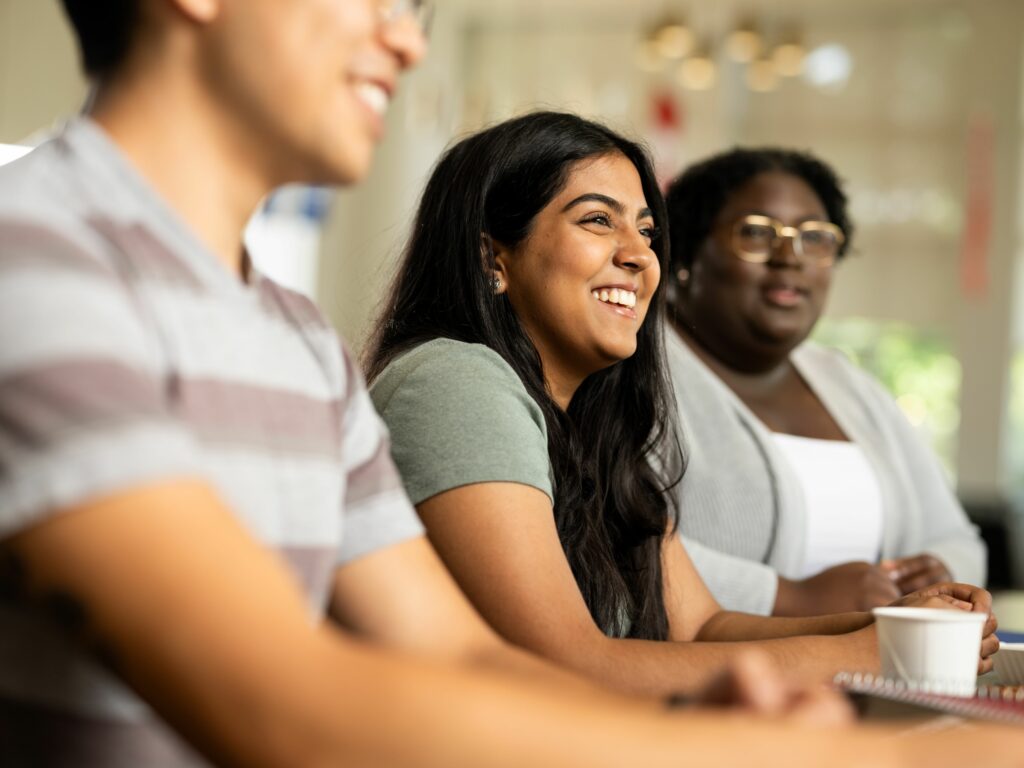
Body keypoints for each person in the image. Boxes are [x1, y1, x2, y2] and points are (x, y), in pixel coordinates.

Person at [0, 2, 893, 766]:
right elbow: (284, 707)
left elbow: (463, 660)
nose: (409, 41)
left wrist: (725, 717)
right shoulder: (33, 264)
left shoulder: (297, 340)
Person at [364, 111, 996, 700]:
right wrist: (877, 650)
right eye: (596, 220)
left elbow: (703, 625)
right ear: (491, 257)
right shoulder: (453, 380)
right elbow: (564, 664)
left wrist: (897, 623)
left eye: (644, 230)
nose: (640, 256)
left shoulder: (593, 424)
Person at [661, 148, 986, 617]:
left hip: (869, 674)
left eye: (815, 238)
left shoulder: (850, 385)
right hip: (715, 679)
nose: (790, 257)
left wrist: (939, 574)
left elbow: (957, 537)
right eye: (756, 233)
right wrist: (790, 598)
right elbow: (615, 547)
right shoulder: (637, 372)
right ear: (688, 253)